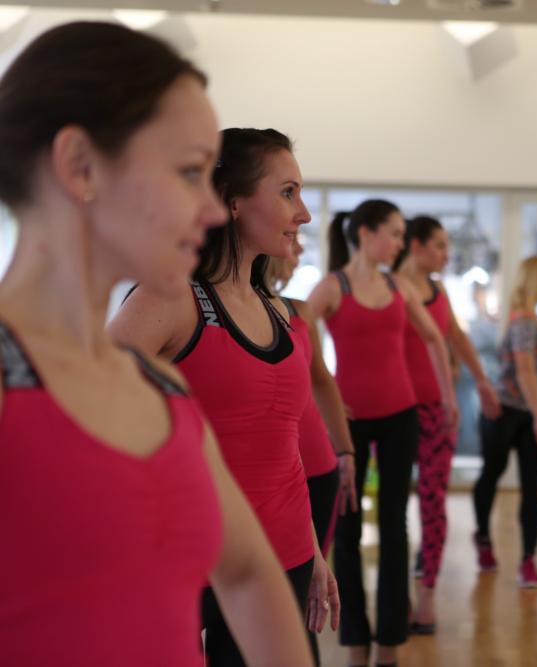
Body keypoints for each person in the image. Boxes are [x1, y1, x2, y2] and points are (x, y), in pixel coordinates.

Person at [0, 22, 314, 666]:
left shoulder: (160, 388)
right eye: (188, 172)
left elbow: (249, 574)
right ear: (80, 166)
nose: (211, 210)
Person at [109, 127, 337, 666]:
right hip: (190, 560)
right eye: (288, 193)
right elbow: (84, 405)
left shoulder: (278, 310)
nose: (303, 214)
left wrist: (313, 550)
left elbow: (284, 447)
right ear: (234, 202)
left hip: (282, 557)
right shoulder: (171, 299)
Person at [307, 200, 457, 667]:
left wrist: (448, 397)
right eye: (392, 233)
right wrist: (322, 395)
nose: (398, 243)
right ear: (365, 233)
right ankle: (356, 644)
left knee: (395, 528)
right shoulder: (332, 287)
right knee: (347, 531)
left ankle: (389, 645)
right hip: (349, 422)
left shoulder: (398, 287)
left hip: (400, 417)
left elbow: (435, 337)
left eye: (400, 236)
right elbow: (296, 337)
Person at [393, 215, 501, 633]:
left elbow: (457, 337)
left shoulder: (439, 291)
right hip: (397, 413)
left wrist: (483, 382)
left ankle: (427, 598)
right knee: (394, 508)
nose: (446, 253)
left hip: (439, 412)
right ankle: (395, 597)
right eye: (439, 245)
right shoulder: (390, 289)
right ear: (416, 246)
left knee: (433, 502)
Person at [265, 237, 358, 659]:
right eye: (291, 242)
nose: (300, 250)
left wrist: (346, 452)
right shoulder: (218, 311)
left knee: (304, 600)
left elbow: (322, 381)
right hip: (265, 473)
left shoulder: (299, 312)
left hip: (315, 471)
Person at [473, 256, 537, 588]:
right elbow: (525, 370)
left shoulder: (536, 320)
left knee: (532, 487)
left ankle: (528, 559)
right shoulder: (523, 322)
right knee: (491, 475)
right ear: (536, 281)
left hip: (532, 411)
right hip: (505, 413)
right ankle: (483, 538)